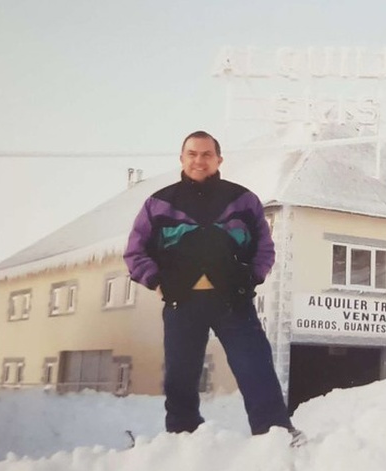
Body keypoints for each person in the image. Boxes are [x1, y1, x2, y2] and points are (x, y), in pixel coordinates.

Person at [124, 130, 301, 443]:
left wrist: (252, 278)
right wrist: (158, 283)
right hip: (182, 304)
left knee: (255, 368)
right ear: (181, 158)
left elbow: (264, 247)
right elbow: (136, 252)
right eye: (192, 153)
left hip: (233, 303)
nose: (199, 160)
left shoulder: (243, 200)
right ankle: (182, 438)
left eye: (206, 154)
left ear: (219, 159)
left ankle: (276, 434)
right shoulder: (159, 203)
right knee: (180, 376)